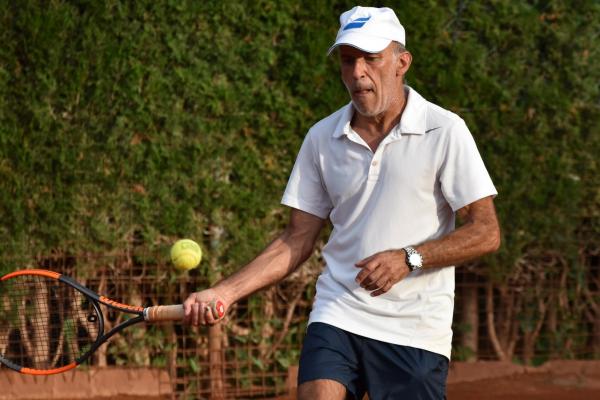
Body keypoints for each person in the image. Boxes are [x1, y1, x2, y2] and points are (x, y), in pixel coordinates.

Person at [183, 6, 500, 400]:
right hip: (339, 312)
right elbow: (296, 238)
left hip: (416, 328)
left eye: (371, 58)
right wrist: (225, 292)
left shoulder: (444, 129)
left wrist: (409, 258)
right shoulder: (321, 137)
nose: (357, 72)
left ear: (402, 63)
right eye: (348, 60)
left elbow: (486, 231)